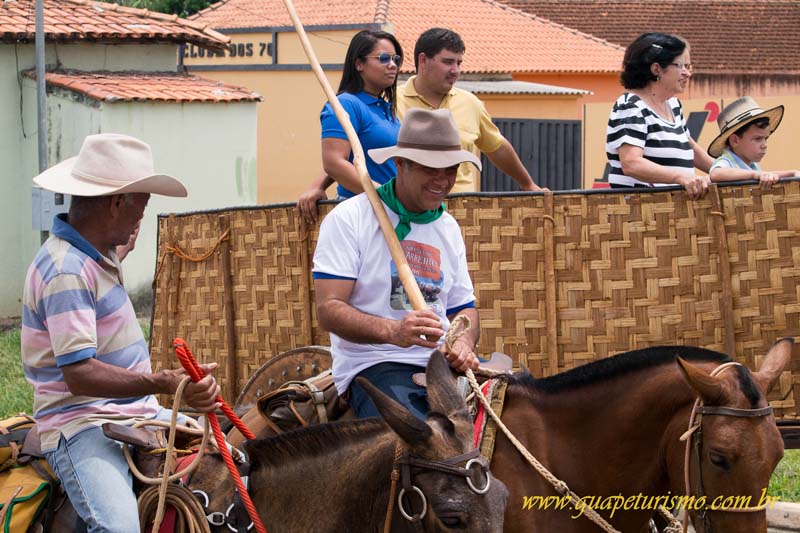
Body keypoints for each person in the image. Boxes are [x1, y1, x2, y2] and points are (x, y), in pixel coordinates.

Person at [21, 133, 221, 533]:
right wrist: (161, 382)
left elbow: (114, 250)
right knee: (118, 528)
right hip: (82, 423)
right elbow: (78, 373)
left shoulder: (96, 252)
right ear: (116, 203)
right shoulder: (67, 272)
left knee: (238, 463)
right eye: (141, 206)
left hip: (136, 413)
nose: (141, 220)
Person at [312, 108, 481, 420]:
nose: (442, 181)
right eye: (431, 169)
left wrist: (463, 342)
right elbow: (329, 309)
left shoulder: (448, 228)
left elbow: (464, 309)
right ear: (400, 164)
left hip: (440, 363)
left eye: (450, 170)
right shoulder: (350, 219)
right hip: (376, 363)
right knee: (424, 448)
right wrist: (393, 331)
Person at [398, 27, 543, 194]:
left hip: (463, 210)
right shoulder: (390, 102)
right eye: (447, 62)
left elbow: (497, 147)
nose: (455, 71)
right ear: (423, 60)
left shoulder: (470, 103)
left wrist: (527, 184)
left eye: (458, 63)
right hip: (407, 211)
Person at [296, 30, 404, 223]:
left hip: (393, 211)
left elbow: (352, 158)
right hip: (364, 213)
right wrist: (384, 195)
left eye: (396, 59)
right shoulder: (345, 105)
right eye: (384, 58)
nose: (392, 65)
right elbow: (334, 162)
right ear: (359, 63)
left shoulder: (386, 110)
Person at [606, 32, 712, 199]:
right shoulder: (631, 106)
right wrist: (680, 177)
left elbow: (693, 151)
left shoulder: (674, 106)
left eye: (688, 66)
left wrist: (729, 171)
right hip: (642, 215)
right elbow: (631, 163)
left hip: (674, 211)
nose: (687, 73)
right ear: (656, 69)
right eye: (681, 66)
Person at [707, 96, 798, 187]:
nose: (764, 145)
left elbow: (768, 174)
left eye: (765, 138)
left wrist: (792, 173)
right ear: (735, 141)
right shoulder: (727, 160)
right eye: (757, 139)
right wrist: (755, 175)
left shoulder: (752, 165)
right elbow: (716, 174)